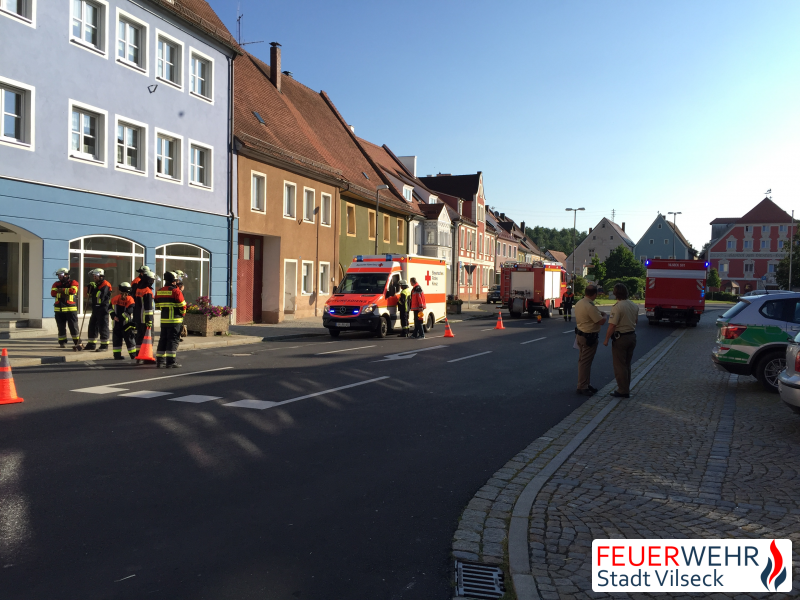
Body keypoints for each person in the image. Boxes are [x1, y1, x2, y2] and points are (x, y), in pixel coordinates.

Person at [604, 282, 639, 398]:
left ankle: (622, 390)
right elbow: (636, 321)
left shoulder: (617, 307)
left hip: (621, 338)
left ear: (615, 294)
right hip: (632, 336)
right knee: (627, 364)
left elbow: (612, 325)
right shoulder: (634, 305)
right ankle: (626, 387)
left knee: (619, 365)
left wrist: (606, 339)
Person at [573, 284, 607, 396]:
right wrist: (605, 316)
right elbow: (600, 321)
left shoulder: (580, 303)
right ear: (595, 294)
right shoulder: (590, 306)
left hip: (580, 335)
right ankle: (582, 386)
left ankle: (585, 383)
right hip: (589, 337)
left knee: (582, 361)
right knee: (585, 362)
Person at [155, 271, 187, 368]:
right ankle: (171, 362)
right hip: (175, 320)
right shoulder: (176, 291)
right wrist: (182, 314)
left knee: (163, 340)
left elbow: (157, 306)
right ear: (174, 281)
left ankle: (160, 361)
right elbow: (183, 306)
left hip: (164, 321)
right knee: (173, 340)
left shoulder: (159, 291)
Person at [51, 268, 81, 349]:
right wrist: (64, 293)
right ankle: (62, 343)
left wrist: (61, 290)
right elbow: (53, 293)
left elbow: (73, 291)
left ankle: (77, 343)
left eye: (61, 275)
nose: (59, 277)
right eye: (58, 275)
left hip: (70, 309)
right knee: (61, 328)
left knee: (73, 327)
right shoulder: (56, 284)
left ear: (66, 275)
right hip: (58, 310)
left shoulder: (73, 282)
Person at [84, 268, 112, 351]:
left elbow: (100, 296)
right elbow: (90, 294)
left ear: (101, 276)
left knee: (103, 327)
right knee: (92, 326)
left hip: (103, 308)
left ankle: (104, 345)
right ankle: (91, 344)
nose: (94, 278)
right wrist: (90, 288)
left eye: (95, 276)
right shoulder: (97, 284)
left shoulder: (105, 284)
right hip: (95, 308)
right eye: (93, 276)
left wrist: (95, 288)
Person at [109, 282, 137, 360]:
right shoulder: (130, 299)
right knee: (130, 341)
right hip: (126, 325)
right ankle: (133, 355)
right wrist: (121, 318)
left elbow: (110, 308)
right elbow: (129, 311)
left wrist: (113, 316)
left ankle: (117, 355)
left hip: (115, 324)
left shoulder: (114, 298)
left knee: (116, 340)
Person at [132, 266, 155, 360]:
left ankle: (138, 356)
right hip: (145, 318)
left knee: (139, 337)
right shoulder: (147, 291)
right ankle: (146, 356)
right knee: (148, 337)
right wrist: (149, 320)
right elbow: (148, 308)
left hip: (138, 317)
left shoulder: (138, 289)